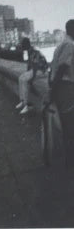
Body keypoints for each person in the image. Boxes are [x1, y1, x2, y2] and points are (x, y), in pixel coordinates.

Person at [50, 19, 74, 166]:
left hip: (60, 89)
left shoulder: (59, 47)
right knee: (69, 126)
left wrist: (52, 88)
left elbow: (52, 69)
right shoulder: (70, 46)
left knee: (66, 125)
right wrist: (54, 89)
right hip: (66, 89)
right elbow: (63, 68)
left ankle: (69, 159)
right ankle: (70, 160)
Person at [16, 37, 48, 115]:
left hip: (42, 71)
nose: (22, 46)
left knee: (24, 80)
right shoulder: (30, 51)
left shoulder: (34, 52)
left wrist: (31, 78)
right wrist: (27, 74)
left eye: (22, 45)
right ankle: (22, 101)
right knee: (20, 78)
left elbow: (36, 66)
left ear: (26, 45)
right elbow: (30, 66)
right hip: (37, 70)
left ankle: (27, 105)